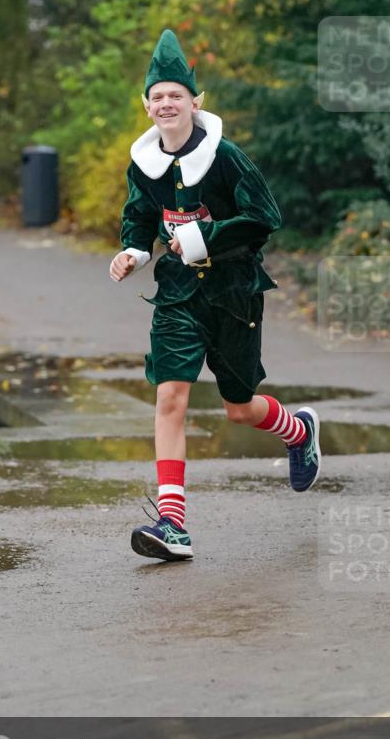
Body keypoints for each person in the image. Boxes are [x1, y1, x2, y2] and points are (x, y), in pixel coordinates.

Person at [109, 29, 322, 562]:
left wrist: (206, 236)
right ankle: (172, 525)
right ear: (146, 106)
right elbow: (139, 219)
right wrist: (133, 253)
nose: (166, 104)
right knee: (170, 397)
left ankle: (298, 430)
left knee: (239, 409)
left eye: (175, 95)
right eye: (157, 97)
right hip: (178, 295)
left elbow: (265, 218)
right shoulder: (144, 164)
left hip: (233, 292)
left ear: (194, 103)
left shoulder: (226, 157)